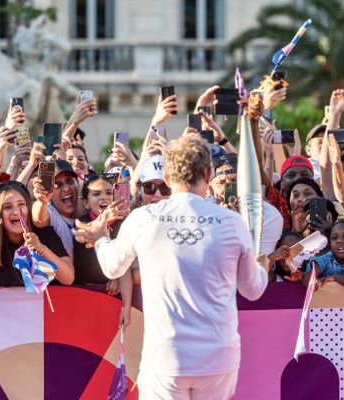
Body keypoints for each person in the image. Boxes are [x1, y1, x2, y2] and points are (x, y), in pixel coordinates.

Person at [74, 135, 269, 399]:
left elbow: (111, 267)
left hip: (166, 359)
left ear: (166, 176)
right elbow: (253, 289)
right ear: (209, 173)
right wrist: (262, 267)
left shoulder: (143, 219)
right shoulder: (231, 221)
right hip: (216, 358)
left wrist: (101, 240)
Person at [0, 181, 74, 286]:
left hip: (37, 301)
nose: (16, 211)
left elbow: (68, 278)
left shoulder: (44, 233)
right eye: (8, 207)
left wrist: (41, 249)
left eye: (21, 204)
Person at [73, 173, 133, 326]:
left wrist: (126, 306)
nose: (104, 197)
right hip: (83, 299)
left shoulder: (124, 225)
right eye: (96, 194)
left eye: (109, 192)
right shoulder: (82, 223)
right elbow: (91, 231)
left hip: (114, 299)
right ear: (86, 203)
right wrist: (105, 217)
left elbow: (124, 267)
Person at [32, 160, 82, 260]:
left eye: (69, 181)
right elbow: (38, 220)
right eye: (58, 185)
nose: (66, 188)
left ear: (78, 185)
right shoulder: (53, 214)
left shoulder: (88, 206)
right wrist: (41, 202)